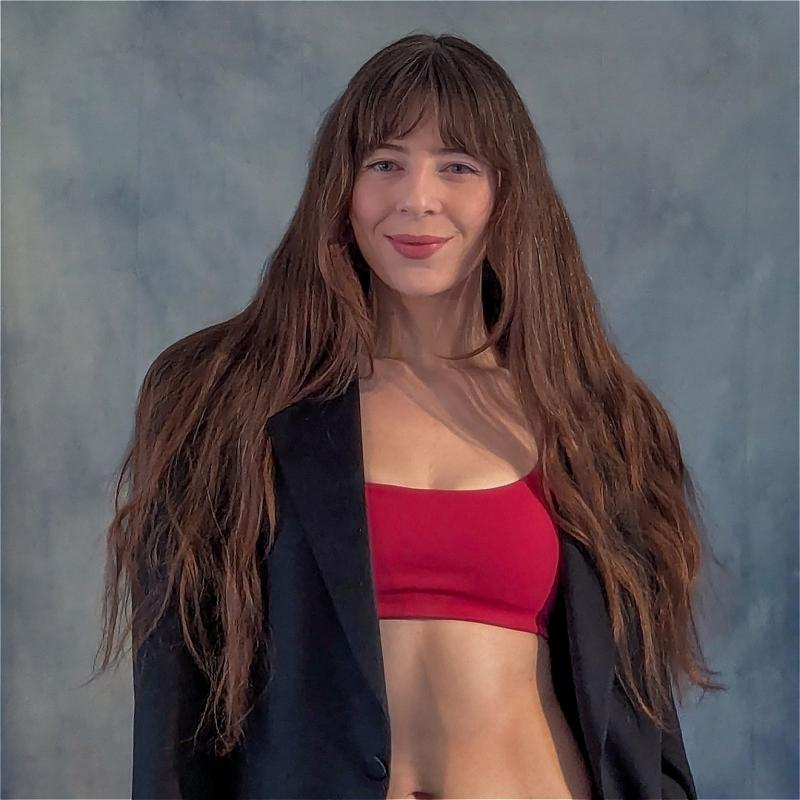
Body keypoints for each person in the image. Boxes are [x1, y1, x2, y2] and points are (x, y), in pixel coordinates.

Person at [91, 32, 724, 799]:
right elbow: (174, 723)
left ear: (508, 194)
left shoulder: (604, 422)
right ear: (340, 189)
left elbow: (647, 729)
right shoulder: (220, 399)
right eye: (384, 163)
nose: (417, 198)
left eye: (457, 166)